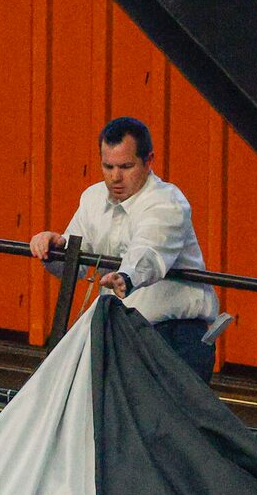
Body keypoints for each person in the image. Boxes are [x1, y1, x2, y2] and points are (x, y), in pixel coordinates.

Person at [29, 118, 219, 380]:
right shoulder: (92, 198)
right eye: (108, 166)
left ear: (148, 160)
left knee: (165, 420)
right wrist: (54, 249)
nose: (115, 177)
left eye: (126, 167)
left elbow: (150, 251)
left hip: (175, 337)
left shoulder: (167, 202)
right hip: (119, 333)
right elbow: (77, 263)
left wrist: (126, 277)